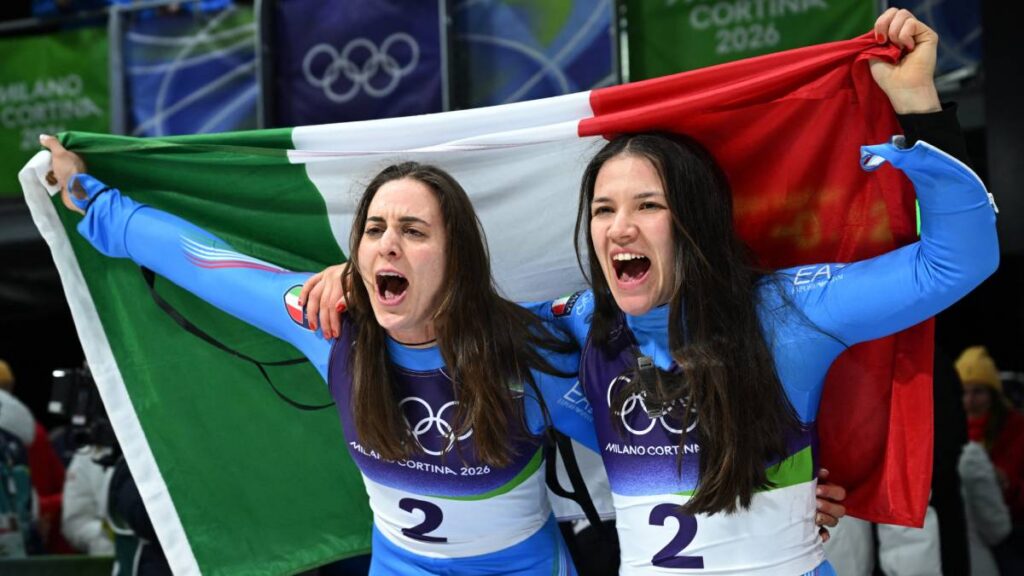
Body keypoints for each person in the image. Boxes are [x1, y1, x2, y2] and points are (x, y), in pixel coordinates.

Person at [43, 145, 603, 574]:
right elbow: (203, 262)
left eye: (413, 231)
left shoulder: (526, 352)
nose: (388, 244)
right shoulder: (331, 325)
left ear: (457, 259)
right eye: (374, 230)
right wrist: (90, 197)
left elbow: (644, 454)